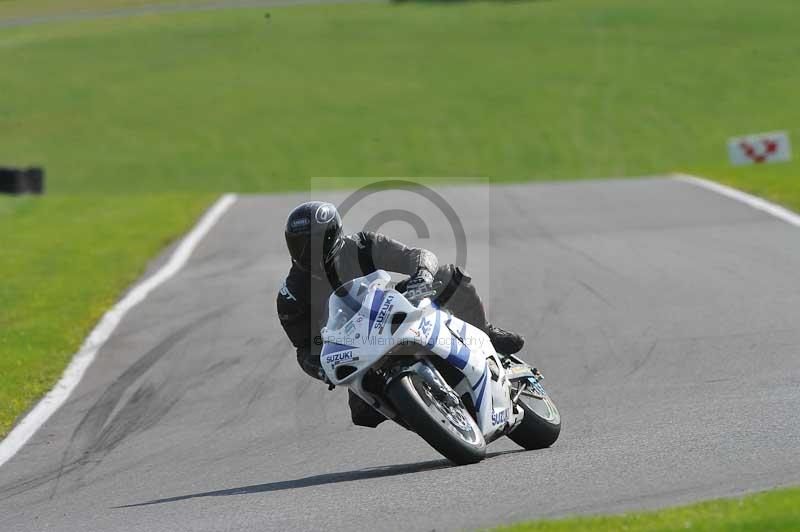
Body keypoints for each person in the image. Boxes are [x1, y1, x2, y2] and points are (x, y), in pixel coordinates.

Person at [277, 201, 524, 427]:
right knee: (363, 413)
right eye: (300, 245)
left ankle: (485, 331)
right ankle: (429, 418)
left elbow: (416, 256)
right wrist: (322, 363)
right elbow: (305, 347)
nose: (307, 251)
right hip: (357, 345)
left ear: (333, 235)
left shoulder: (362, 245)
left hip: (391, 306)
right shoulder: (292, 295)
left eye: (315, 241)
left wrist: (422, 275)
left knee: (451, 277)